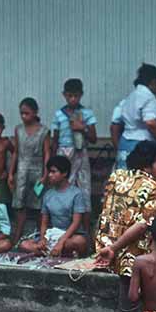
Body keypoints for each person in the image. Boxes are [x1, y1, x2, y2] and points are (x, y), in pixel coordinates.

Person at [95, 141, 156, 312]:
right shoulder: (152, 187)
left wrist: (107, 245)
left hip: (112, 250)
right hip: (136, 256)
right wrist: (116, 247)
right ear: (148, 165)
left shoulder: (117, 177)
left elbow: (106, 213)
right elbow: (144, 225)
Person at [51, 78, 97, 233]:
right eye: (69, 96)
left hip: (80, 154)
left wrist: (82, 127)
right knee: (64, 188)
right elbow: (55, 140)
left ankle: (86, 233)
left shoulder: (86, 113)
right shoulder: (59, 114)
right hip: (63, 155)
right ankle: (63, 230)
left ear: (81, 95)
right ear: (64, 95)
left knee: (84, 192)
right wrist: (51, 164)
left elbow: (93, 138)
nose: (73, 99)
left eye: (76, 96)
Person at [19, 155, 87, 257]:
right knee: (24, 244)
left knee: (79, 242)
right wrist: (42, 239)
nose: (50, 175)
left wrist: (61, 242)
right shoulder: (48, 194)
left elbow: (76, 223)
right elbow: (44, 222)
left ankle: (55, 251)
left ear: (64, 173)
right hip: (53, 235)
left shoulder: (76, 194)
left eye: (53, 172)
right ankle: (54, 251)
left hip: (70, 236)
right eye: (49, 172)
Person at [8, 98, 50, 245]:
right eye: (21, 113)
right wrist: (10, 173)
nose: (24, 116)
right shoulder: (18, 129)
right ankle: (17, 235)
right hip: (21, 171)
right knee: (20, 204)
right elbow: (16, 153)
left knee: (38, 205)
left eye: (27, 113)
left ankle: (40, 236)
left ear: (35, 112)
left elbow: (47, 154)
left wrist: (45, 175)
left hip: (37, 172)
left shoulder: (44, 131)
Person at [117, 64, 156, 170]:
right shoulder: (149, 97)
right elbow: (151, 123)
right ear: (154, 82)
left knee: (127, 181)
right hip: (143, 146)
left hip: (126, 143)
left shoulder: (131, 96)